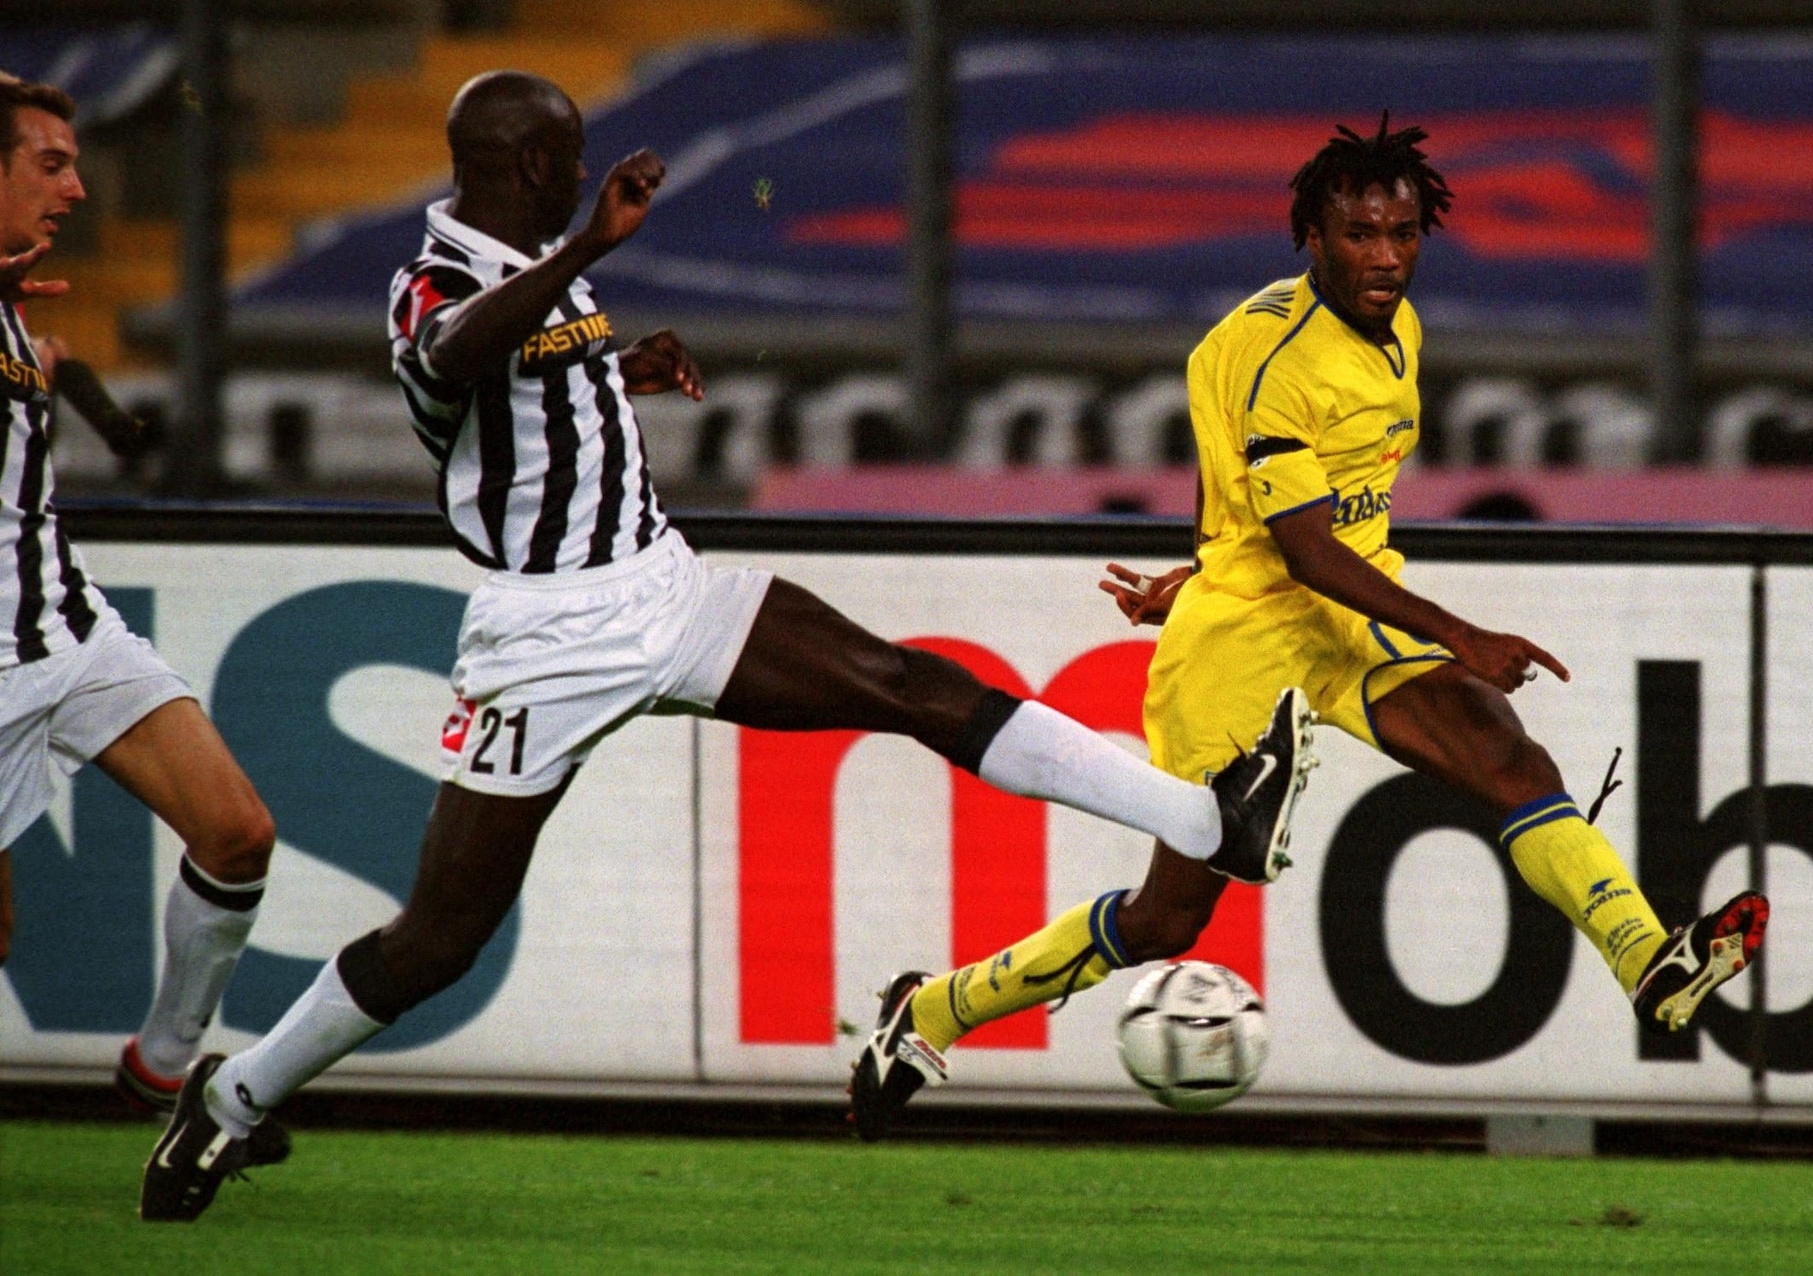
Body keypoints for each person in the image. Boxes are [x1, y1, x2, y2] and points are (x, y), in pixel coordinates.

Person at [139, 70, 1317, 1222]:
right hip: (544, 637)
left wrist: (614, 365)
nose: (587, 173)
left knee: (907, 683)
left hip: (663, 584)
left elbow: (524, 395)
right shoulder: (437, 273)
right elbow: (447, 361)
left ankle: (1210, 819)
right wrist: (585, 254)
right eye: (573, 154)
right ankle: (231, 1098)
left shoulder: (543, 279)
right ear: (532, 165)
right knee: (441, 936)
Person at [848, 117, 1770, 1140]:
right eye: (1360, 235)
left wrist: (1201, 557)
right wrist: (1452, 630)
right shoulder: (1280, 360)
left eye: (1403, 233)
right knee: (1170, 916)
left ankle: (1649, 964)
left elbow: (1301, 520)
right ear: (1312, 237)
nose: (1385, 257)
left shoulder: (1394, 327)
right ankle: (929, 1012)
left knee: (1508, 758)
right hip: (1246, 631)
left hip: (1343, 608)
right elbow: (1300, 549)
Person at [0, 72, 288, 1160]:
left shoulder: (17, 307)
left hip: (66, 631)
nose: (76, 186)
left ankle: (163, 1065)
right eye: (51, 163)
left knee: (239, 830)